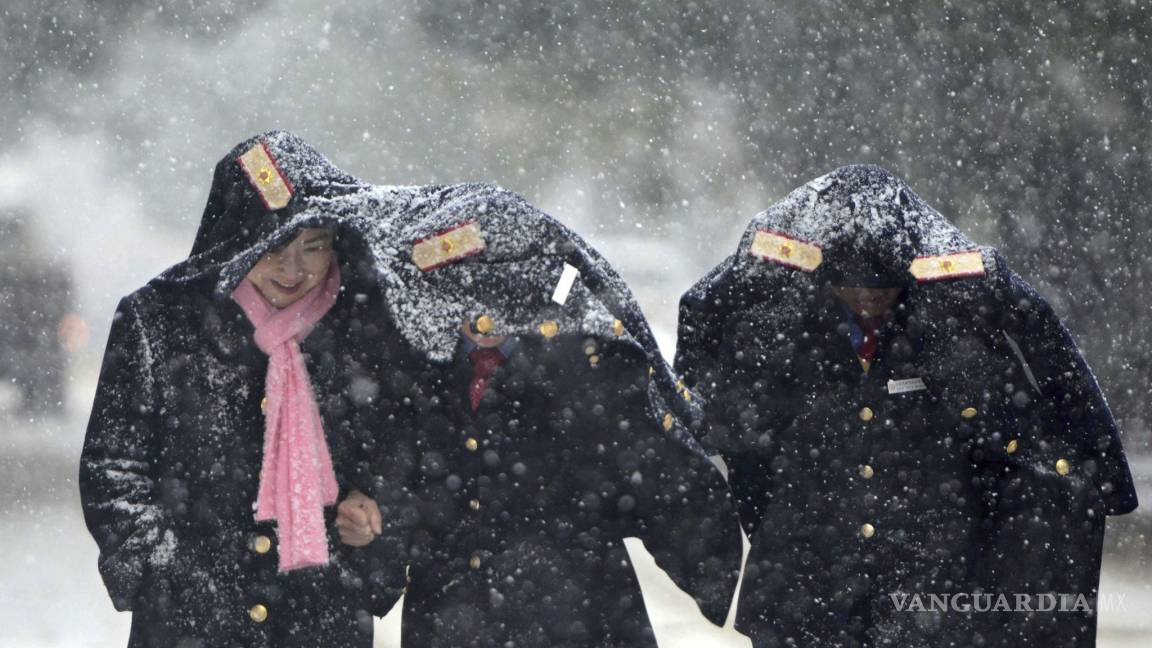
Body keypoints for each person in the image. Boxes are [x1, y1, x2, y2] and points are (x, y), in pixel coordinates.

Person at [674, 165, 1138, 647]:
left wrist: (1100, 472)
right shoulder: (779, 309)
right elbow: (702, 319)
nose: (867, 300)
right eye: (852, 287)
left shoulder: (954, 305)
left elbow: (1051, 350)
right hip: (803, 583)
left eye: (881, 288)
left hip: (926, 586)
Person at [325, 183, 744, 647]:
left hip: (585, 618)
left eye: (503, 301)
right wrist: (368, 531)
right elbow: (389, 490)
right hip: (449, 621)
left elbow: (666, 484)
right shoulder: (409, 373)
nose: (484, 321)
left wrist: (727, 579)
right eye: (465, 299)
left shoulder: (591, 369)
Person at [79, 131, 409, 647]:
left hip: (320, 619)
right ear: (236, 237)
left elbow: (402, 455)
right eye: (274, 246)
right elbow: (113, 467)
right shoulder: (159, 320)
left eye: (314, 247)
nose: (294, 269)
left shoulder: (363, 330)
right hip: (192, 621)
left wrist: (372, 528)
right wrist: (160, 573)